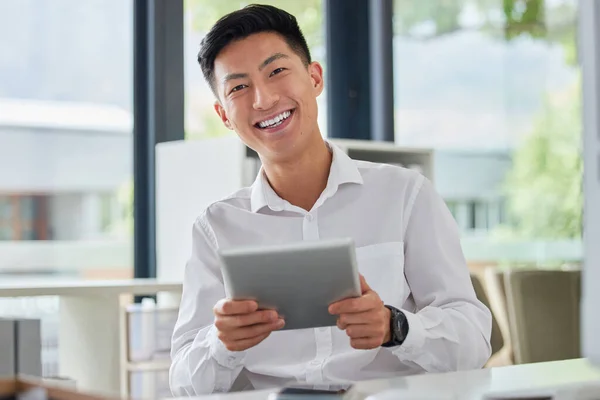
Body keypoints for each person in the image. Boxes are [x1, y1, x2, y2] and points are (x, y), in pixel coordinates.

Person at [169, 4, 492, 396]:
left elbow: (474, 342)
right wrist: (223, 343)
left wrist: (396, 327)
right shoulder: (216, 228)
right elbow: (184, 383)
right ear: (223, 115)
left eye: (277, 71)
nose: (263, 99)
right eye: (239, 87)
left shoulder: (406, 195)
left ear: (314, 77)